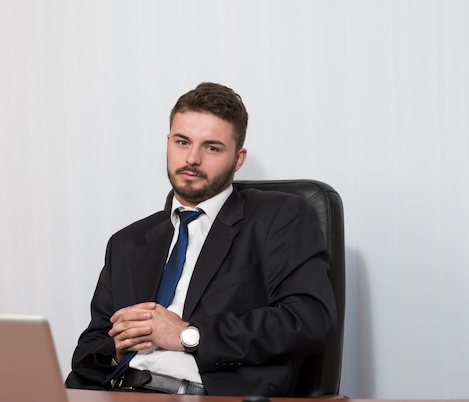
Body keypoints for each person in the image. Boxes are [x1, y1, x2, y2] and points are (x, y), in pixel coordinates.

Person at [65, 82, 336, 396]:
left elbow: (309, 320)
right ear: (168, 142)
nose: (192, 158)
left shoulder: (278, 216)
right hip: (120, 391)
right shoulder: (128, 242)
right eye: (182, 142)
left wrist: (187, 335)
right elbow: (87, 353)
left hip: (202, 393)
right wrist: (117, 349)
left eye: (212, 147)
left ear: (238, 158)